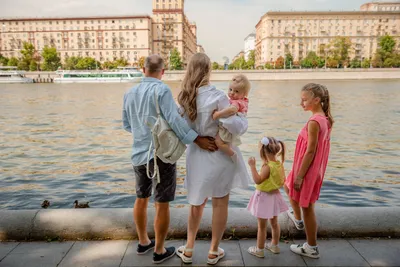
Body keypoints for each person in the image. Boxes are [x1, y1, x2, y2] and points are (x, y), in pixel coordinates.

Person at [122, 55, 217, 264]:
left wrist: (142, 133)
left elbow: (127, 125)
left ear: (142, 69)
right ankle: (159, 250)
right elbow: (174, 120)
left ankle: (143, 241)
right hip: (161, 155)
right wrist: (196, 139)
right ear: (162, 71)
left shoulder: (129, 93)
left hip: (138, 154)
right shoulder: (162, 90)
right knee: (162, 202)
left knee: (141, 197)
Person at [175, 53, 249, 265]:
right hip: (219, 155)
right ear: (208, 71)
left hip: (197, 155)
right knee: (220, 203)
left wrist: (197, 138)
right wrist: (231, 120)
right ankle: (213, 251)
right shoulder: (218, 95)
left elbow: (179, 128)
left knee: (196, 203)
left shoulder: (184, 97)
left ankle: (188, 249)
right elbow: (238, 127)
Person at [284, 83, 334, 259]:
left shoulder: (314, 122)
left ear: (317, 100)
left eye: (304, 100)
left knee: (307, 207)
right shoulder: (324, 118)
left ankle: (311, 247)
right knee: (287, 184)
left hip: (307, 169)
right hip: (312, 169)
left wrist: (300, 176)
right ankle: (297, 219)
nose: (301, 103)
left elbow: (311, 151)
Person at [247, 136, 288, 258]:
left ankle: (259, 249)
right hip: (275, 196)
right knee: (275, 224)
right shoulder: (279, 164)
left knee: (262, 226)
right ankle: (274, 246)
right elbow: (282, 180)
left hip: (264, 198)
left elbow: (258, 180)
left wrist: (252, 166)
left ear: (263, 151)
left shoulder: (267, 167)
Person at [212, 74, 250, 157]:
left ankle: (232, 154)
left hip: (230, 126)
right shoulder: (243, 100)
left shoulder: (236, 102)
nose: (232, 93)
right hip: (235, 125)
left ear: (244, 94)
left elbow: (233, 110)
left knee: (218, 142)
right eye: (230, 89)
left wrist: (218, 114)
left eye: (236, 91)